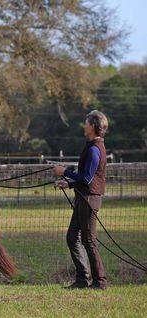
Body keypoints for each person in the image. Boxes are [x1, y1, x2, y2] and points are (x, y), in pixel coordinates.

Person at [53, 110, 108, 290]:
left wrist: (65, 172)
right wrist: (68, 184)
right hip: (83, 198)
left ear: (92, 126)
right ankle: (83, 279)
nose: (84, 126)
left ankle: (100, 282)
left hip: (89, 200)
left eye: (86, 123)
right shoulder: (92, 146)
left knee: (89, 240)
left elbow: (87, 179)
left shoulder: (94, 149)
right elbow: (84, 179)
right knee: (72, 237)